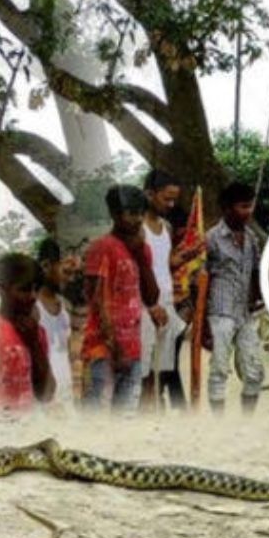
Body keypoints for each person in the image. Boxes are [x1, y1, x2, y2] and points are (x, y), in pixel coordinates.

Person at [82, 185, 161, 409]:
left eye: (141, 213)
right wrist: (116, 349)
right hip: (103, 349)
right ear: (115, 214)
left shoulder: (141, 249)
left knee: (124, 416)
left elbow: (152, 296)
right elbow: (96, 302)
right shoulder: (102, 248)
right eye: (131, 213)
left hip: (132, 347)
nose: (137, 220)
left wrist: (140, 257)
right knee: (96, 414)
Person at [205, 181, 264, 411]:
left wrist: (258, 297)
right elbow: (201, 280)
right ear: (227, 208)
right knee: (219, 369)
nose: (248, 212)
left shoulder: (251, 238)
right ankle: (219, 425)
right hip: (220, 312)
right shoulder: (212, 238)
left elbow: (256, 270)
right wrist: (201, 326)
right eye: (243, 206)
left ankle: (247, 423)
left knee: (254, 371)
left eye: (250, 206)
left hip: (246, 313)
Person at [139, 169, 191, 411]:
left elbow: (164, 264)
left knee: (161, 369)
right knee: (143, 371)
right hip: (145, 306)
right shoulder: (137, 228)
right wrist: (148, 304)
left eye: (173, 199)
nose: (171, 204)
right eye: (166, 198)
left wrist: (181, 259)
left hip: (167, 303)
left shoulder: (167, 227)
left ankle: (154, 417)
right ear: (150, 194)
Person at [0, 252, 55, 410]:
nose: (33, 296)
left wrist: (34, 345)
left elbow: (46, 394)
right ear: (1, 288)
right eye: (24, 289)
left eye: (36, 289)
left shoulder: (37, 332)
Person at [35, 238, 75, 405]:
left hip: (65, 393)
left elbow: (68, 352)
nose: (70, 279)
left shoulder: (65, 306)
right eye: (65, 272)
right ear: (46, 266)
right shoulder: (33, 309)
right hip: (45, 398)